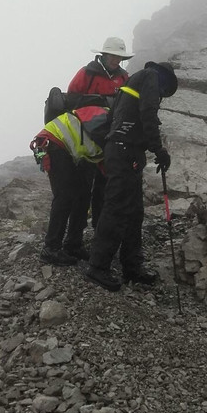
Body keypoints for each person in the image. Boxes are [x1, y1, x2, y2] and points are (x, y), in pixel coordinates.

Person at [84, 61, 178, 292]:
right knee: (117, 209)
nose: (163, 94)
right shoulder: (151, 76)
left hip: (124, 151)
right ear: (165, 79)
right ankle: (98, 267)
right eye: (166, 90)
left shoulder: (133, 81)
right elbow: (148, 112)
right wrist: (158, 149)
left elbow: (113, 119)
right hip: (125, 151)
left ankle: (132, 267)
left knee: (134, 212)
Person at [29, 106, 110, 266]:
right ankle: (50, 249)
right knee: (64, 196)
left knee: (82, 195)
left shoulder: (110, 117)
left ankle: (73, 245)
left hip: (64, 145)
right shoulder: (113, 126)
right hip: (52, 141)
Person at [67, 37, 130, 229]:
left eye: (119, 57)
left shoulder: (124, 77)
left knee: (104, 185)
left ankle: (99, 228)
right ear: (104, 55)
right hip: (84, 138)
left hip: (109, 138)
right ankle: (74, 236)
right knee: (83, 187)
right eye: (113, 56)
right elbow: (71, 100)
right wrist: (96, 103)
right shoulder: (87, 73)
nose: (116, 60)